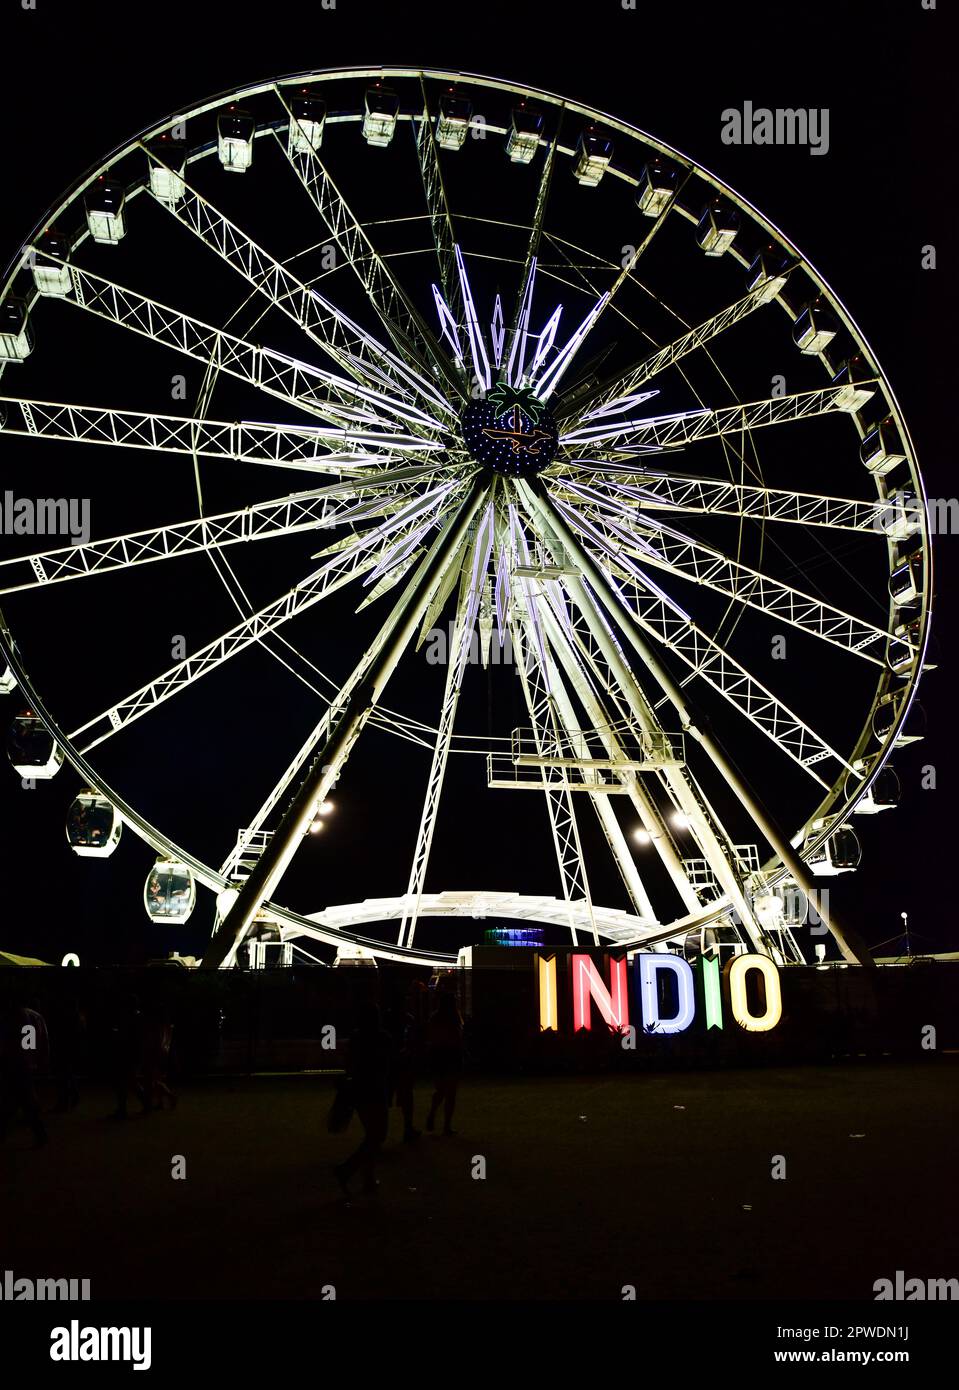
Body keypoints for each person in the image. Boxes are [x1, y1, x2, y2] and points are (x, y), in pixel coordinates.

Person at [334, 1002, 393, 1197]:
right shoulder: (382, 1037)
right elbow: (387, 1064)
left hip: (359, 1089)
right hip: (375, 1089)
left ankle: (367, 1177)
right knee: (377, 1135)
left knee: (371, 1134)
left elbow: (349, 1063)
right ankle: (347, 1169)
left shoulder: (356, 1037)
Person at [0, 995, 49, 1146]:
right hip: (27, 1062)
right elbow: (41, 1040)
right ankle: (39, 1133)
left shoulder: (15, 1016)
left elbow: (11, 1042)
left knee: (18, 1098)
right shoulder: (36, 1016)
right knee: (22, 1097)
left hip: (16, 1062)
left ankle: (39, 1133)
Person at [391, 981, 429, 1143]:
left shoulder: (390, 1017)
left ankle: (405, 1128)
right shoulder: (408, 1018)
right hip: (401, 1061)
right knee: (406, 1095)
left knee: (400, 1095)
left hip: (394, 1061)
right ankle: (407, 1128)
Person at [425, 991, 464, 1136]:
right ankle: (446, 1125)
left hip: (438, 1056)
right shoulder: (454, 1018)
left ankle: (433, 1113)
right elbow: (457, 1038)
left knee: (440, 1090)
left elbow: (431, 1037)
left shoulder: (435, 1017)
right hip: (451, 1056)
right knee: (450, 1093)